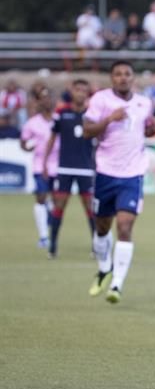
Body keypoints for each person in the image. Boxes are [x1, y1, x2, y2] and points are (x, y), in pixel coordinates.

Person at [83, 60, 155, 303]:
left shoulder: (144, 103)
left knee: (124, 227)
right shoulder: (100, 100)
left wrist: (152, 129)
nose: (123, 78)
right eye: (118, 74)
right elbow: (87, 131)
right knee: (102, 227)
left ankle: (116, 285)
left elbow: (144, 131)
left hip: (133, 174)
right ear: (111, 78)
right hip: (105, 172)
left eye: (127, 74)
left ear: (133, 78)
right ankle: (104, 268)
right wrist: (109, 119)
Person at [43, 79, 95, 259]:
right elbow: (52, 138)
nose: (80, 93)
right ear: (71, 92)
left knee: (90, 208)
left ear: (88, 93)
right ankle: (52, 246)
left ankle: (96, 247)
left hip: (86, 168)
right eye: (77, 89)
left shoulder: (92, 113)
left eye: (84, 90)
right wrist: (44, 163)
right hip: (65, 167)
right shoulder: (61, 112)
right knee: (59, 207)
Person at [20, 87, 59, 249]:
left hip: (59, 166)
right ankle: (43, 237)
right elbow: (23, 141)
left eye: (49, 97)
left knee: (57, 201)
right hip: (39, 166)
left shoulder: (59, 119)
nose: (46, 101)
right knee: (41, 197)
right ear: (39, 102)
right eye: (43, 98)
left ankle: (49, 212)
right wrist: (28, 147)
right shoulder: (32, 122)